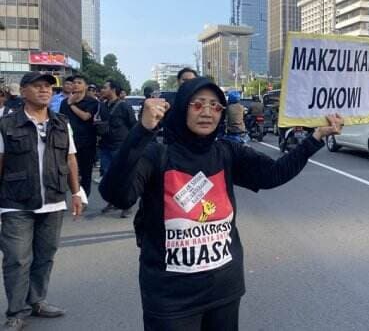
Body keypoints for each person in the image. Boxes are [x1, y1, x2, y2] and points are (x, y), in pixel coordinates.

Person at [99, 78, 342, 330]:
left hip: (224, 291)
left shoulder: (226, 152)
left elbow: (274, 174)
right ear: (182, 108)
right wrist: (142, 131)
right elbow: (116, 194)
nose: (207, 112)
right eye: (198, 104)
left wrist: (316, 137)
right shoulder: (157, 155)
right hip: (170, 299)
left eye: (216, 106)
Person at [0, 72, 85, 331]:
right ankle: (16, 311)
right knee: (17, 258)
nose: (44, 91)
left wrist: (76, 192)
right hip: (16, 201)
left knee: (45, 255)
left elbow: (70, 158)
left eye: (48, 87)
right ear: (23, 91)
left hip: (53, 199)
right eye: (37, 86)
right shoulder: (6, 124)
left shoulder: (61, 123)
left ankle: (37, 300)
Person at [97, 79, 136, 217]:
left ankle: (127, 205)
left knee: (123, 176)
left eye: (105, 87)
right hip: (105, 146)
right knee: (108, 176)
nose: (102, 89)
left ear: (113, 89)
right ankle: (112, 202)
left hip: (120, 146)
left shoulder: (124, 106)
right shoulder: (102, 105)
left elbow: (133, 125)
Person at [59, 75, 99, 198]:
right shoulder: (64, 102)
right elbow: (62, 119)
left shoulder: (92, 102)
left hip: (87, 142)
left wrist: (72, 105)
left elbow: (86, 117)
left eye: (79, 82)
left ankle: (84, 197)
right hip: (69, 142)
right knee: (67, 171)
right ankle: (68, 196)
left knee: (85, 172)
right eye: (74, 83)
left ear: (85, 86)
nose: (75, 85)